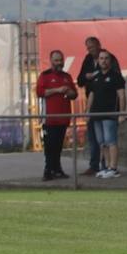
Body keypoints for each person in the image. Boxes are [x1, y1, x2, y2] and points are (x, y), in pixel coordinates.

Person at [77, 36, 120, 175]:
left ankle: (110, 166)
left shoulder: (110, 59)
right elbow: (80, 81)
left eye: (93, 47)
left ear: (99, 45)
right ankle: (97, 165)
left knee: (109, 139)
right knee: (96, 139)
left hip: (108, 106)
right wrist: (87, 77)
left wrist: (122, 111)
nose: (91, 50)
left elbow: (119, 87)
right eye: (88, 48)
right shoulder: (87, 60)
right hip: (94, 105)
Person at [34, 49, 77, 180]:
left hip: (63, 118)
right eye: (56, 60)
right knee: (50, 145)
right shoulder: (45, 76)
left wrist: (69, 92)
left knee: (58, 146)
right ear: (51, 61)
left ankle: (57, 169)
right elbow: (40, 92)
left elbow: (74, 94)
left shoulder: (67, 76)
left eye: (60, 60)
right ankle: (48, 170)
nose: (59, 63)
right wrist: (57, 90)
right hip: (49, 118)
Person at [84, 49, 127, 178]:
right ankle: (107, 166)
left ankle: (114, 168)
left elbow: (122, 95)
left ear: (110, 60)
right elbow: (91, 95)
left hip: (110, 114)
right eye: (101, 58)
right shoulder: (96, 77)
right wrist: (87, 112)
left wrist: (122, 113)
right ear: (98, 60)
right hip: (96, 114)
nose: (103, 61)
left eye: (106, 58)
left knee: (111, 141)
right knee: (102, 142)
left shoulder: (116, 76)